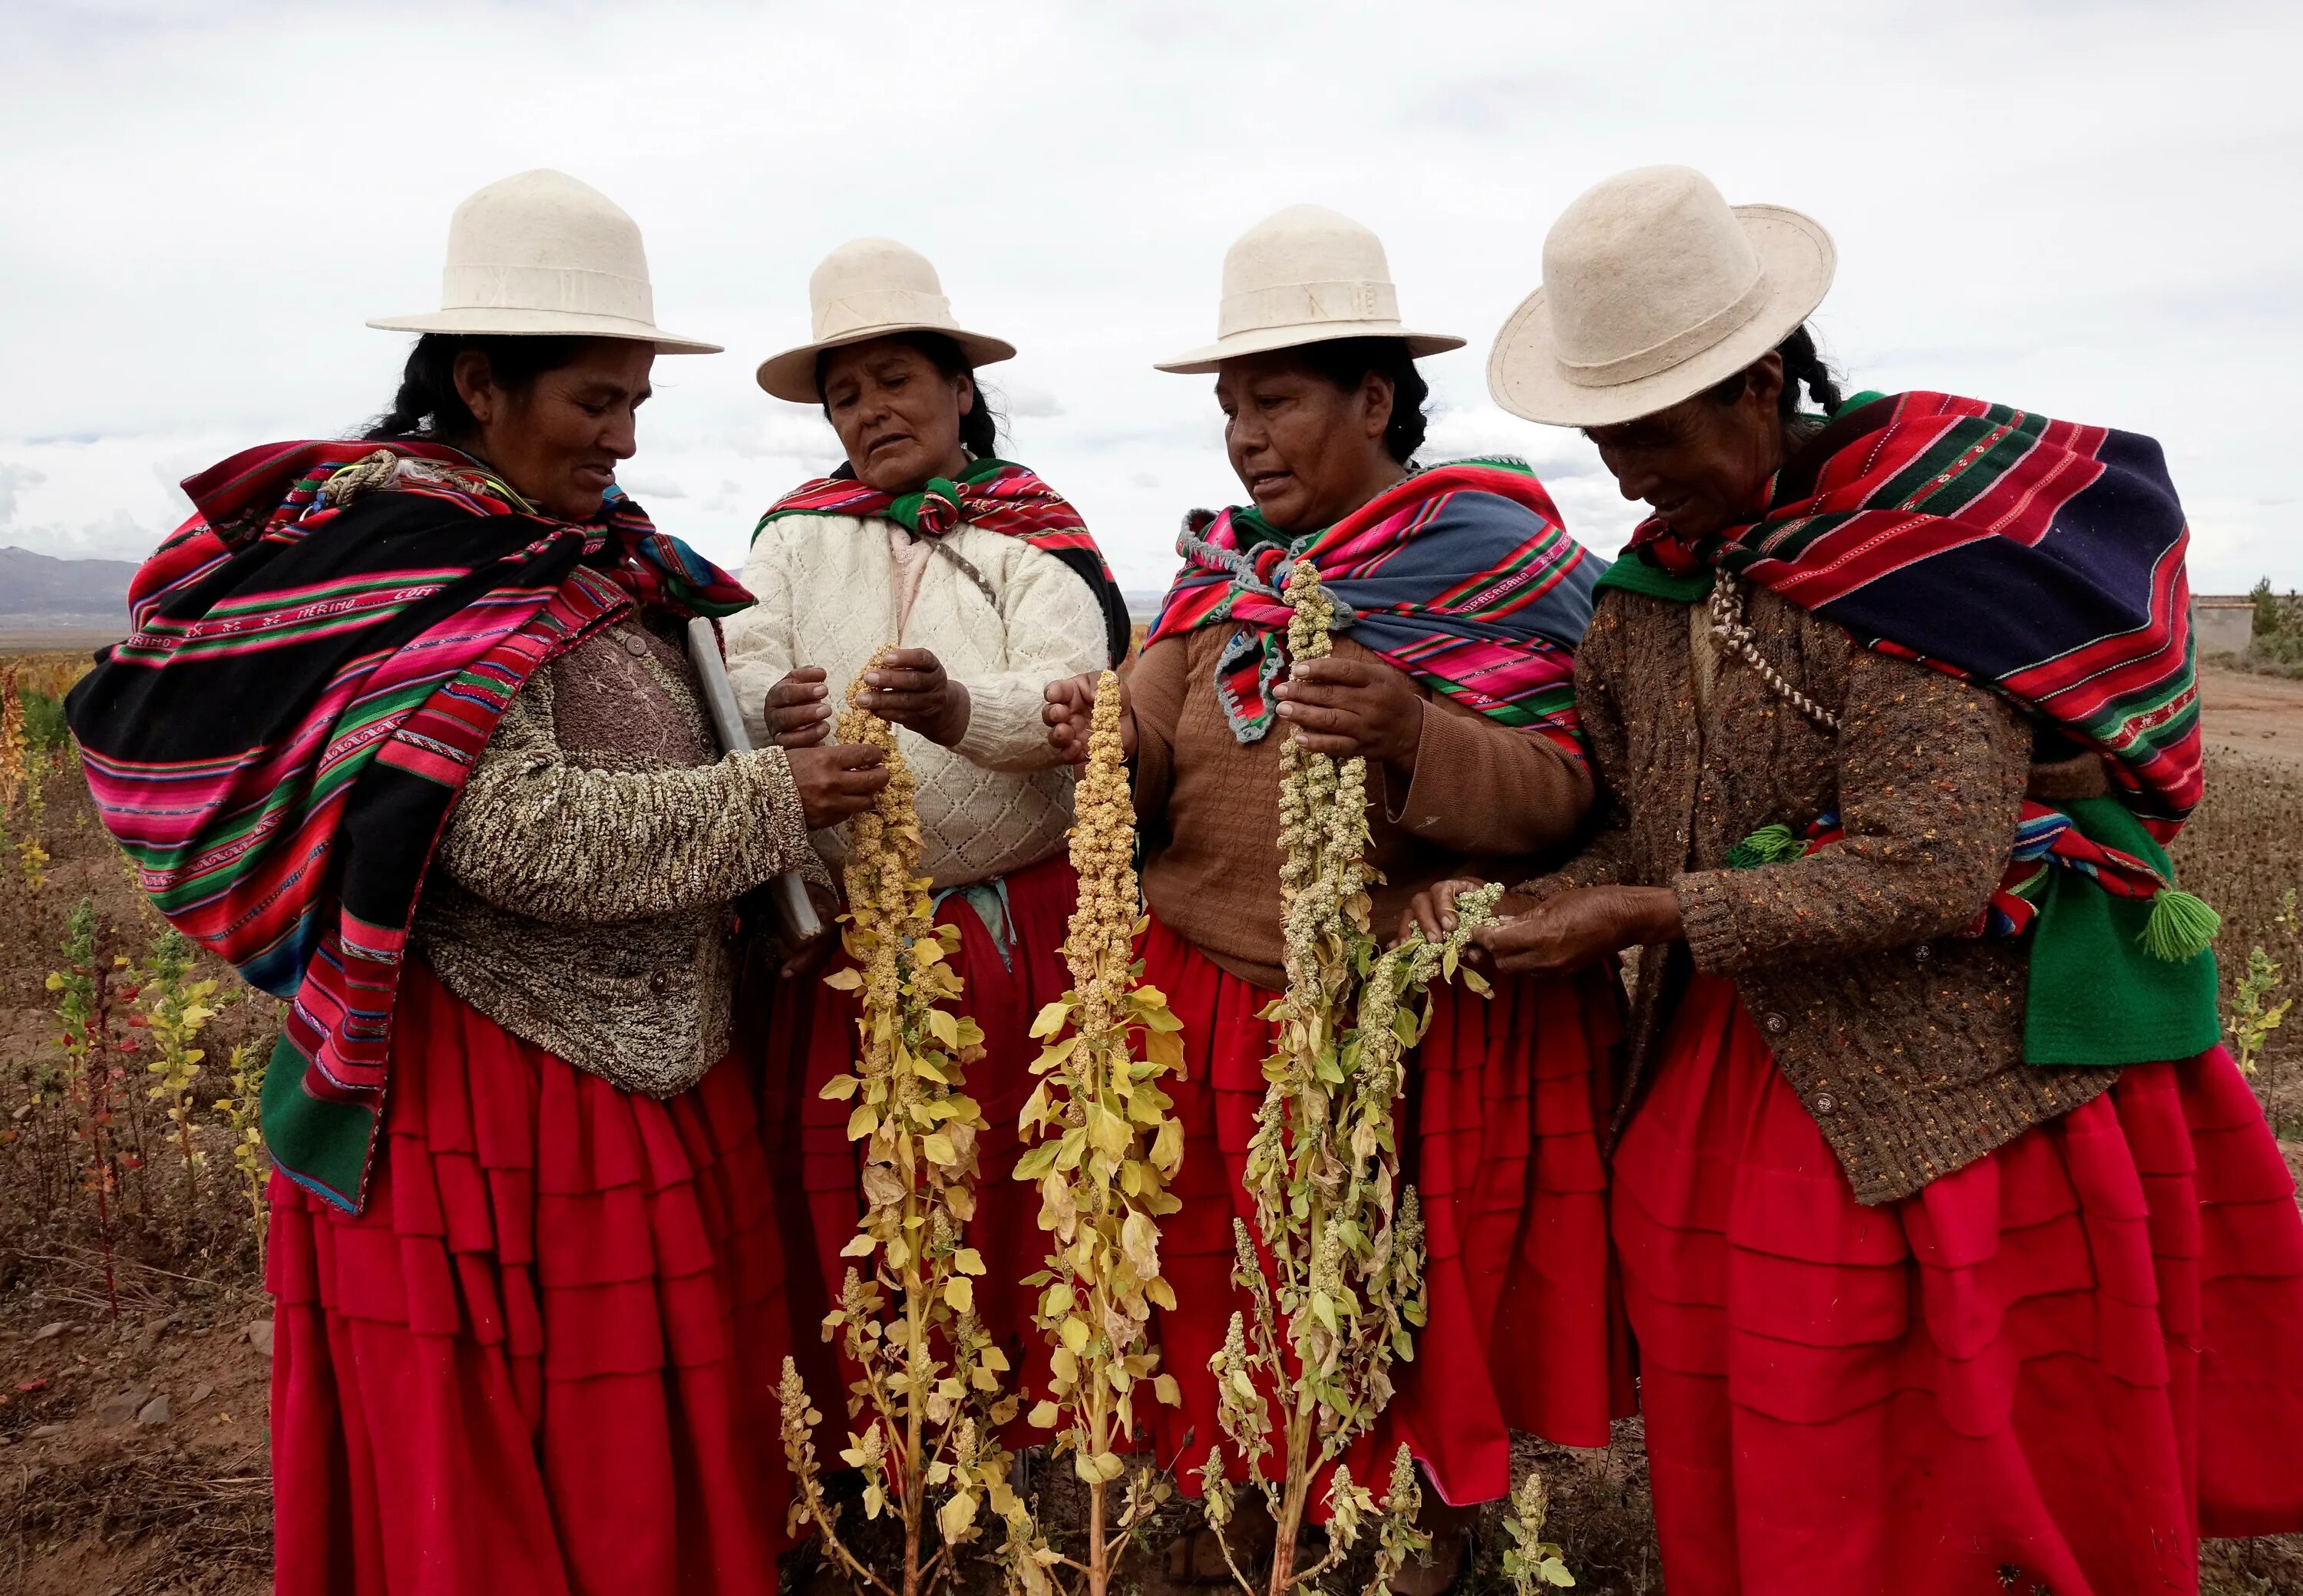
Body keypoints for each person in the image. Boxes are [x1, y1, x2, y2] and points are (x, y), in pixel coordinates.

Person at [1432, 163, 2303, 1594]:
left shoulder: (1906, 577)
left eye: (1655, 432)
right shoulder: (1646, 606)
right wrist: (1507, 898)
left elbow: (1931, 867)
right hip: (1727, 1071)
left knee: (1936, 1462)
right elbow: (1637, 830)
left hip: (1948, 1095)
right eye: (1607, 440)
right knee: (1763, 1451)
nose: (1633, 476)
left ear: (1762, 385)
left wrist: (1656, 916)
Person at [68, 170, 890, 1595]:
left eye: (638, 401)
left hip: (636, 1066)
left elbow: (620, 749)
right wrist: (774, 799)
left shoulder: (560, 555)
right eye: (593, 401)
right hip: (505, 1099)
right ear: (479, 385)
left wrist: (754, 737)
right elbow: (511, 836)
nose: (625, 438)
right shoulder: (420, 564)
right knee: (534, 1465)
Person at [1041, 205, 1626, 1518]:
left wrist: (1416, 732)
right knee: (1217, 1279)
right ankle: (1245, 1502)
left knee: (1377, 1278)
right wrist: (1103, 744)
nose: (1245, 436)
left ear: (1373, 399)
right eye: (1231, 408)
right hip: (1209, 994)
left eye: (1277, 400)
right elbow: (1155, 756)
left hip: (1383, 1019)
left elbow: (1570, 791)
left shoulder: (1493, 561)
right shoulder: (1215, 580)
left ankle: (1399, 1523)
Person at [729, 238, 1128, 1379]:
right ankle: (881, 1424)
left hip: (1003, 930)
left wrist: (957, 708)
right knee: (862, 1184)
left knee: (1004, 1169)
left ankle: (1011, 1411)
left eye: (896, 381)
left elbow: (1070, 694)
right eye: (845, 396)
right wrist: (778, 710)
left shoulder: (1026, 534)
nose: (870, 412)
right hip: (847, 933)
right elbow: (741, 663)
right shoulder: (794, 537)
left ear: (960, 389)